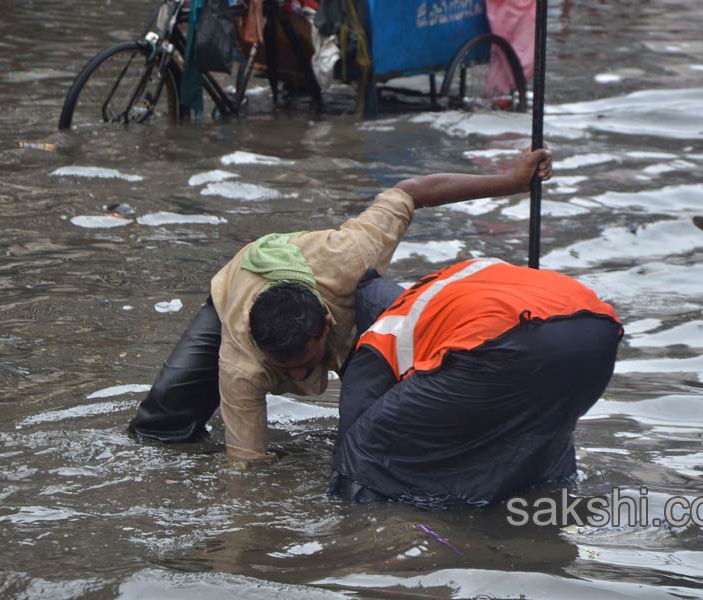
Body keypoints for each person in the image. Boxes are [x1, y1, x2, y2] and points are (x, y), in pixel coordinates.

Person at [127, 147, 553, 464]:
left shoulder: (351, 255)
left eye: (305, 364)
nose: (297, 378)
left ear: (326, 324)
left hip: (338, 298)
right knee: (159, 427)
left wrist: (510, 182)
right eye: (286, 370)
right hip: (231, 294)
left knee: (389, 417)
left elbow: (410, 192)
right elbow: (246, 464)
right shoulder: (242, 365)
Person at [328, 258, 623, 509]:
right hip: (599, 334)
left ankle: (358, 533)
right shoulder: (447, 287)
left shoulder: (383, 330)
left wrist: (338, 488)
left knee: (364, 448)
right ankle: (547, 505)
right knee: (540, 431)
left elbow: (354, 428)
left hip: (509, 341)